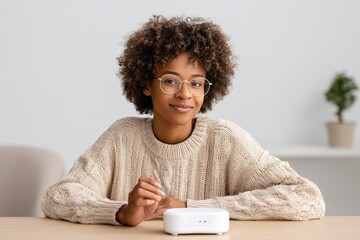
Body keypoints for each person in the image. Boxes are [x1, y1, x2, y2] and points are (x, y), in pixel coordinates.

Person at [41, 15, 325, 226]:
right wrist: (121, 212)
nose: (185, 94)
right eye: (170, 81)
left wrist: (191, 207)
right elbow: (57, 198)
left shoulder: (225, 139)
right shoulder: (121, 136)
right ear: (145, 84)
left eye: (197, 83)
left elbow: (307, 198)